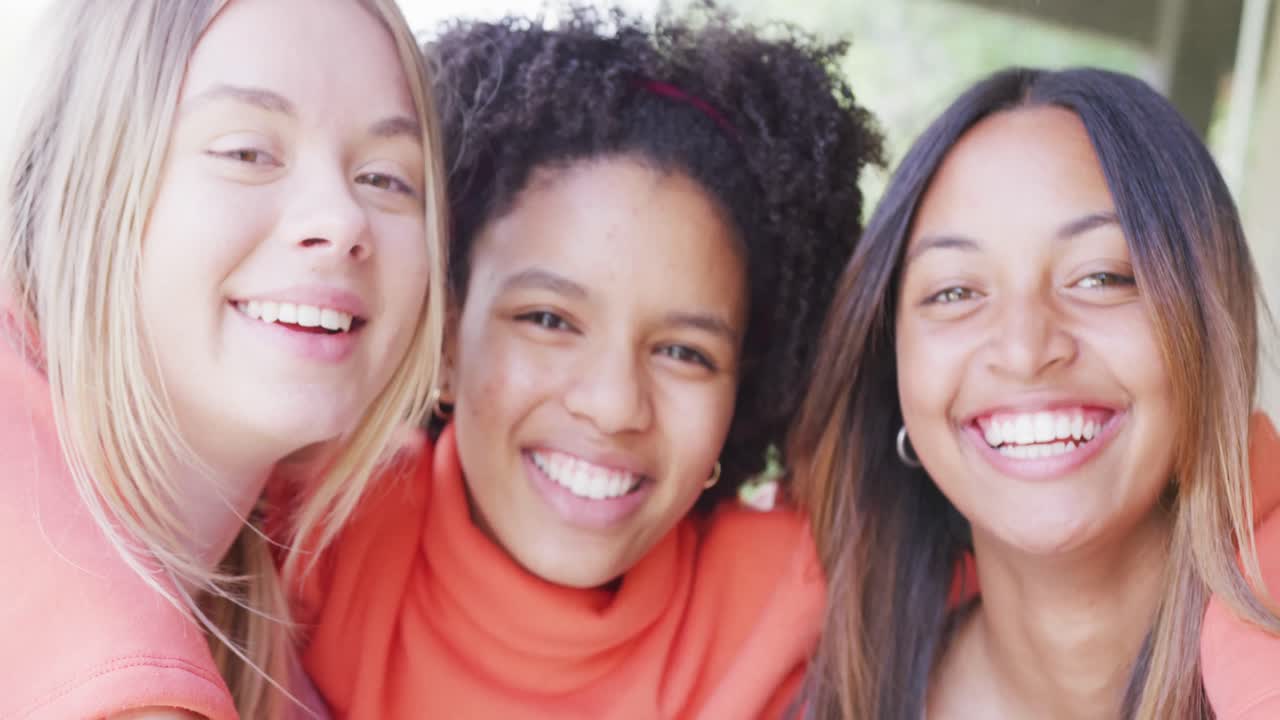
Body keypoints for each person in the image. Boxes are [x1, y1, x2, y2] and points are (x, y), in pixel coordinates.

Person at [292, 7, 882, 718]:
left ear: (741, 393)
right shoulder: (312, 523)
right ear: (445, 343)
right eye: (548, 320)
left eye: (684, 353)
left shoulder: (801, 601)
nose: (611, 405)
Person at [0, 0, 448, 716]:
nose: (341, 219)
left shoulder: (270, 602)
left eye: (387, 178)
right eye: (247, 152)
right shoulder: (98, 664)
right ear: (86, 181)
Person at [789, 67, 1280, 719]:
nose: (1024, 350)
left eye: (1102, 276)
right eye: (956, 292)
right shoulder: (821, 688)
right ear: (893, 370)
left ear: (1208, 323)